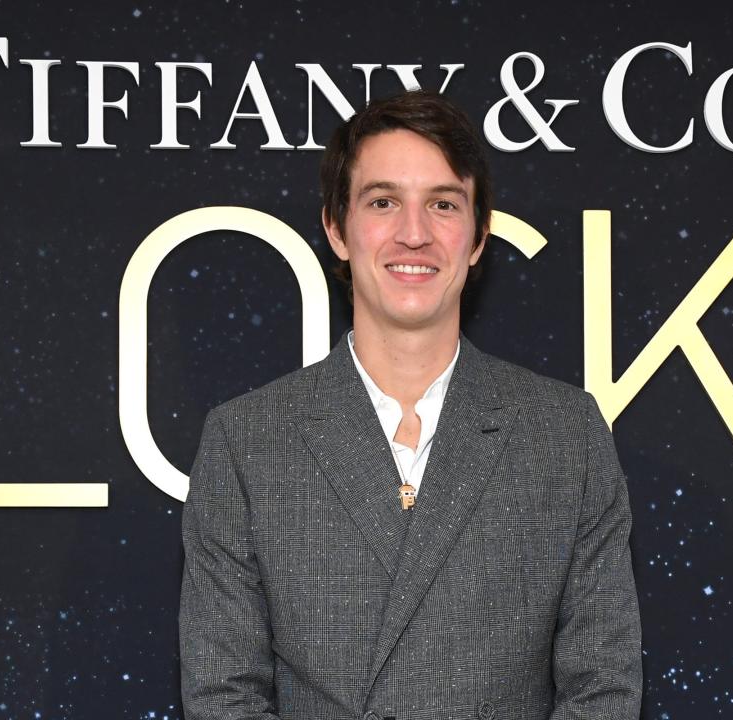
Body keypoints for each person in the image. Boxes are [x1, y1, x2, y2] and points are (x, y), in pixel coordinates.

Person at [180, 90, 642, 720]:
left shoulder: (566, 435)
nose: (415, 234)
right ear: (337, 229)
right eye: (383, 201)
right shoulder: (246, 440)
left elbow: (603, 688)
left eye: (444, 205)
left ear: (478, 238)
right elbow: (222, 693)